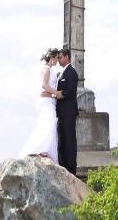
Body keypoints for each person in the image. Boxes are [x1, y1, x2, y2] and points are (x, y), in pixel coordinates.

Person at [18, 48, 62, 161]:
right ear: (52, 58)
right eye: (57, 58)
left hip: (48, 100)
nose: (57, 61)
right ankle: (41, 148)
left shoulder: (49, 69)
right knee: (49, 123)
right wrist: (56, 93)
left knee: (47, 124)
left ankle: (44, 149)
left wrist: (51, 94)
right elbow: (44, 85)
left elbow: (46, 89)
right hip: (46, 102)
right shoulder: (47, 69)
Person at [43, 47, 78, 175]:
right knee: (62, 140)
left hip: (68, 113)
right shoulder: (62, 73)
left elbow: (70, 92)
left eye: (60, 57)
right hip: (61, 113)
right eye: (57, 58)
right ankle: (63, 165)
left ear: (67, 57)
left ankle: (71, 168)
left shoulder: (71, 72)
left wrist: (58, 94)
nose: (58, 60)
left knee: (69, 140)